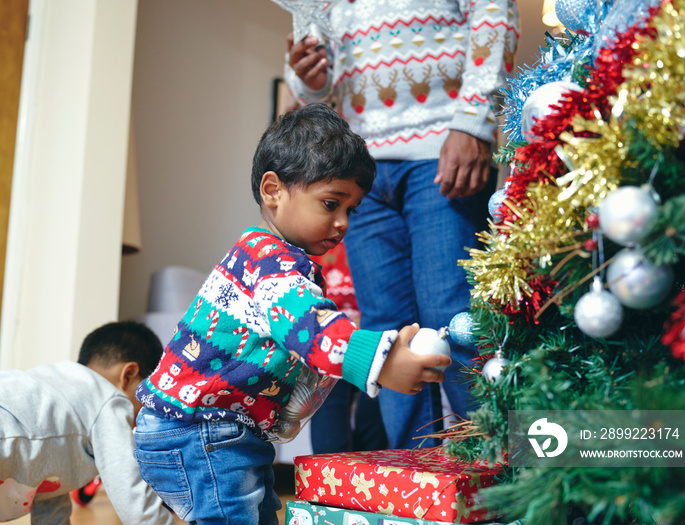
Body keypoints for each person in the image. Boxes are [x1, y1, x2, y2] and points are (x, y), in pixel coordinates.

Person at [132, 103, 450, 525]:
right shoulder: (269, 261)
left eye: (350, 210)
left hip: (220, 431)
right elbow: (309, 326)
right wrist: (384, 360)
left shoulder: (274, 259)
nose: (342, 224)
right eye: (331, 203)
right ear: (272, 190)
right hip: (202, 431)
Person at [284, 0, 520, 449]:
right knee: (386, 336)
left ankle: (504, 478)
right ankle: (417, 485)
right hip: (360, 166)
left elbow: (495, 12)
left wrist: (474, 123)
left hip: (442, 150)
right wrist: (307, 81)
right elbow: (315, 85)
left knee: (456, 319)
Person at [0, 321, 175, 525]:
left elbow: (51, 497)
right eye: (147, 402)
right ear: (128, 375)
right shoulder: (108, 399)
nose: (139, 420)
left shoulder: (59, 405)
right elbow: (135, 500)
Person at [308, 241, 388, 454]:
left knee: (375, 412)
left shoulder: (373, 241)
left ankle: (370, 471)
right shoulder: (311, 240)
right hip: (328, 338)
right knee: (328, 407)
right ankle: (330, 475)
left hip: (371, 334)